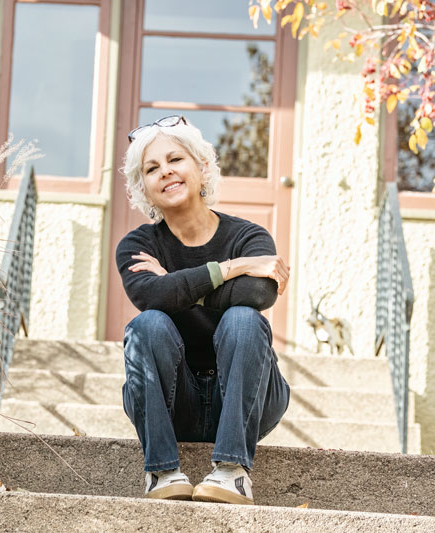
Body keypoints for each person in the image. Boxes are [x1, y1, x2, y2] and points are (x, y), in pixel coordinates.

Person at [116, 115, 291, 506]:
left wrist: (175, 285)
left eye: (175, 160)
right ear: (142, 186)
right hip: (175, 403)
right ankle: (161, 472)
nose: (166, 172)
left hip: (249, 399)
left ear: (201, 167)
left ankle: (233, 473)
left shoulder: (247, 236)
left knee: (244, 318)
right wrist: (231, 268)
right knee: (147, 325)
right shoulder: (136, 246)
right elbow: (151, 298)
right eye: (151, 168)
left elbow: (259, 293)